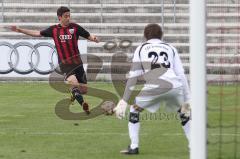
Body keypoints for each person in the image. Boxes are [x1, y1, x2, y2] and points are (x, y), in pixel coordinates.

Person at [113, 23, 191, 154]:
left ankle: (134, 146)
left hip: (155, 87)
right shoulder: (170, 48)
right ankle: (194, 146)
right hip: (174, 86)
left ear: (145, 36)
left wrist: (124, 101)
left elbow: (134, 76)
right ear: (161, 35)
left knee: (134, 109)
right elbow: (181, 73)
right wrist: (188, 98)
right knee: (184, 112)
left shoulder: (141, 48)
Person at [10, 6, 99, 114]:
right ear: (59, 17)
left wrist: (94, 38)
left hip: (78, 63)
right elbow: (37, 33)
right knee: (73, 83)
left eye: (69, 16)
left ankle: (73, 93)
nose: (68, 18)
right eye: (66, 16)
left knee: (84, 90)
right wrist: (20, 30)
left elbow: (88, 35)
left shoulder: (75, 28)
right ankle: (85, 106)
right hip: (65, 63)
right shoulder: (54, 30)